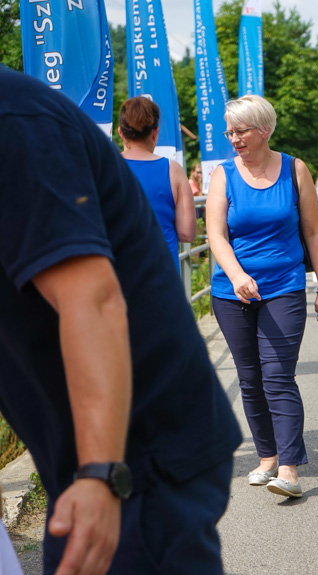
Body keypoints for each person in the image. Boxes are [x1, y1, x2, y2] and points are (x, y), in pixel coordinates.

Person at [0, 66, 241, 575]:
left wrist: (101, 474)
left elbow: (94, 299)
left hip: (137, 450)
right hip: (89, 446)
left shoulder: (14, 119)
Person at [207, 94, 318, 499]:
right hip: (232, 292)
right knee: (249, 379)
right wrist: (237, 275)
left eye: (240, 130)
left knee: (278, 376)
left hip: (283, 287)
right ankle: (265, 457)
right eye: (229, 131)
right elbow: (215, 235)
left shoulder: (294, 169)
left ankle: (288, 468)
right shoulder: (222, 175)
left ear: (264, 129)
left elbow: (314, 232)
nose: (234, 139)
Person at [118, 97, 196, 273]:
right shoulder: (173, 170)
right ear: (155, 133)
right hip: (161, 276)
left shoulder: (104, 167)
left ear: (121, 133)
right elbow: (187, 233)